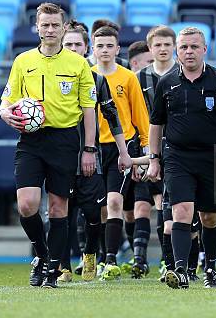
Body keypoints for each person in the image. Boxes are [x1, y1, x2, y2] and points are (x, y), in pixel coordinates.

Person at [0, 3, 97, 289]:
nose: (50, 30)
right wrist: (5, 112)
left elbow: (88, 109)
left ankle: (52, 269)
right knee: (27, 205)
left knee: (57, 208)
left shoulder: (78, 64)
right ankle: (42, 256)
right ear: (37, 27)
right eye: (45, 25)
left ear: (64, 27)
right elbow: (8, 98)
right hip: (30, 140)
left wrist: (88, 149)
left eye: (55, 25)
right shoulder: (23, 60)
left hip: (65, 140)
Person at [147, 26, 216, 289]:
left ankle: (210, 267)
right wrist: (154, 158)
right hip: (177, 157)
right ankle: (180, 271)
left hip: (215, 158)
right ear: (178, 51)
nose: (188, 52)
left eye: (193, 47)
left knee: (209, 218)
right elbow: (156, 124)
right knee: (181, 211)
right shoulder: (167, 83)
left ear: (205, 49)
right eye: (183, 47)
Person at [60, 20, 133, 282]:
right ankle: (62, 265)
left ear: (85, 47)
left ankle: (91, 253)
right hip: (59, 154)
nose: (72, 48)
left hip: (92, 154)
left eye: (77, 44)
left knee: (93, 212)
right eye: (67, 44)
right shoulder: (49, 75)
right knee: (61, 213)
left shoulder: (96, 79)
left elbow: (113, 117)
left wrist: (125, 152)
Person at [90, 26, 151, 280]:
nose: (104, 50)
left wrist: (146, 150)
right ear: (93, 49)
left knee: (115, 202)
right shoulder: (86, 76)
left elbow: (140, 116)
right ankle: (100, 256)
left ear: (117, 49)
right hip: (92, 149)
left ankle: (111, 260)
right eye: (100, 46)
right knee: (99, 209)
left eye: (109, 46)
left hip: (122, 147)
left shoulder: (128, 78)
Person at [135, 25, 181, 280]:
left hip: (179, 149)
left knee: (179, 208)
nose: (163, 49)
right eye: (158, 45)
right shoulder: (139, 78)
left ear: (173, 46)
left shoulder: (185, 73)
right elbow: (132, 116)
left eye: (167, 44)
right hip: (147, 151)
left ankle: (180, 260)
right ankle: (167, 261)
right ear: (150, 48)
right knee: (158, 204)